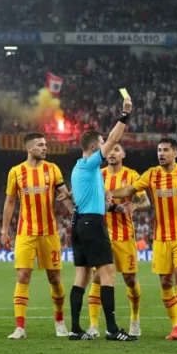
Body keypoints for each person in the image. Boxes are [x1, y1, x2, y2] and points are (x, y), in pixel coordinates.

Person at [112, 138, 177, 340]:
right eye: (159, 150)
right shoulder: (151, 174)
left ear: (175, 153)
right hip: (160, 236)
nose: (161, 153)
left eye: (166, 150)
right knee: (166, 282)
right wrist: (108, 193)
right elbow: (130, 190)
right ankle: (175, 324)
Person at [68, 96, 137, 341]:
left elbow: (90, 200)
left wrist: (112, 206)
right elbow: (114, 139)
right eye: (101, 143)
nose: (105, 147)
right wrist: (125, 114)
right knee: (108, 275)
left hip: (79, 224)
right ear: (93, 146)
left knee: (82, 277)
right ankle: (112, 329)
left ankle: (75, 329)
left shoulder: (79, 168)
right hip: (92, 225)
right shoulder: (89, 164)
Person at [2, 133, 73, 340]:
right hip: (25, 232)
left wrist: (74, 214)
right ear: (29, 149)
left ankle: (59, 321)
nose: (45, 148)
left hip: (49, 232)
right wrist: (4, 230)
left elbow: (65, 195)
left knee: (55, 278)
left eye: (45, 144)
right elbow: (9, 202)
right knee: (23, 275)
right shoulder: (16, 172)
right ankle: (20, 328)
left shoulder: (53, 169)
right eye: (40, 145)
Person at [87, 143, 151, 337]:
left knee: (130, 279)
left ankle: (135, 319)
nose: (112, 153)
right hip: (102, 235)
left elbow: (146, 202)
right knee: (97, 278)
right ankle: (93, 325)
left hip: (124, 236)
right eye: (110, 150)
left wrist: (135, 206)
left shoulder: (132, 175)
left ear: (123, 154)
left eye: (116, 150)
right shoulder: (98, 175)